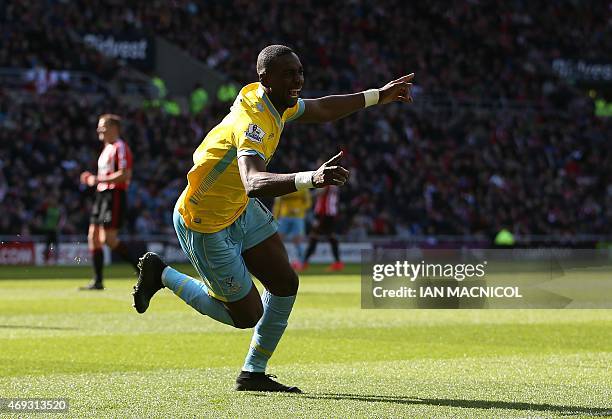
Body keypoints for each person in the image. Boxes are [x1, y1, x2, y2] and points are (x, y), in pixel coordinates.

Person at [132, 45, 413, 392]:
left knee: (284, 284)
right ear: (265, 79)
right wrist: (312, 177)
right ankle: (162, 274)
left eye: (299, 72)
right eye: (288, 74)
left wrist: (377, 96)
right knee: (247, 316)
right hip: (205, 222)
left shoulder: (274, 104)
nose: (297, 80)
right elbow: (253, 182)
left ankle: (253, 373)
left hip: (238, 208)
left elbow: (323, 107)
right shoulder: (253, 123)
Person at [79, 114, 140, 290]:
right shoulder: (107, 149)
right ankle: (97, 281)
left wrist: (98, 180)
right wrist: (93, 179)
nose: (99, 129)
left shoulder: (120, 147)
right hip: (102, 196)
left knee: (109, 239)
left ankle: (142, 269)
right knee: (93, 237)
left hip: (114, 195)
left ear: (114, 128)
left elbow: (125, 174)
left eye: (103, 126)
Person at [301, 185, 343, 271]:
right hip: (331, 212)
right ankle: (338, 263)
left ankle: (304, 263)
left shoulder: (327, 180)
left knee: (314, 236)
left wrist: (305, 194)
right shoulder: (335, 182)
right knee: (329, 237)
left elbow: (320, 192)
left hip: (324, 213)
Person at [273, 187, 311, 270]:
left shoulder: (303, 187)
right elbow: (277, 203)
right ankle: (278, 262)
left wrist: (300, 210)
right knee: (277, 240)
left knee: (297, 240)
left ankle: (301, 262)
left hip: (298, 217)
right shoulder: (283, 187)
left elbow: (308, 203)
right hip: (284, 216)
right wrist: (275, 217)